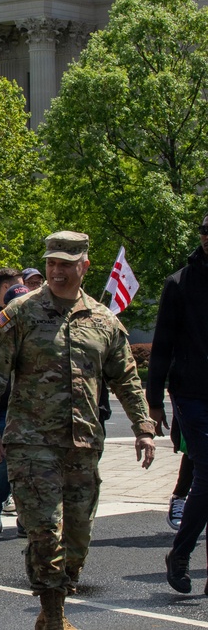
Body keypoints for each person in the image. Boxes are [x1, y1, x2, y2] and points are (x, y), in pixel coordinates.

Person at [0, 231, 156, 629]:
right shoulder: (19, 313)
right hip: (30, 444)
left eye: (66, 264)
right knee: (44, 532)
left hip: (84, 443)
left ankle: (58, 597)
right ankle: (54, 614)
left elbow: (124, 376)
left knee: (77, 535)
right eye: (51, 263)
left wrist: (142, 425)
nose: (56, 271)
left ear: (84, 267)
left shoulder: (103, 319)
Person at [148, 214, 208, 594]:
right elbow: (162, 347)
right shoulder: (180, 283)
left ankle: (185, 556)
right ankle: (181, 554)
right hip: (191, 392)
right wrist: (154, 402)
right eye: (206, 233)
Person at [0, 282, 30, 534]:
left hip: (34, 409)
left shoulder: (40, 328)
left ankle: (26, 515)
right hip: (4, 407)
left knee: (33, 465)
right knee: (4, 461)